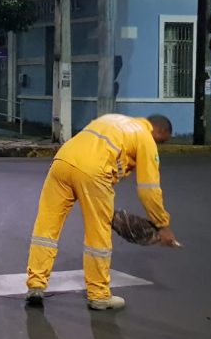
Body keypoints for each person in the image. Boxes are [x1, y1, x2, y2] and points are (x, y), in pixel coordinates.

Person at [26, 114, 179, 311]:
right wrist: (162, 224)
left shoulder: (112, 119)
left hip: (61, 162)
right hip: (94, 172)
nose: (159, 145)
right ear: (160, 131)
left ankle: (35, 285)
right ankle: (98, 295)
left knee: (46, 226)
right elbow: (148, 189)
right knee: (98, 234)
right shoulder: (145, 138)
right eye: (162, 141)